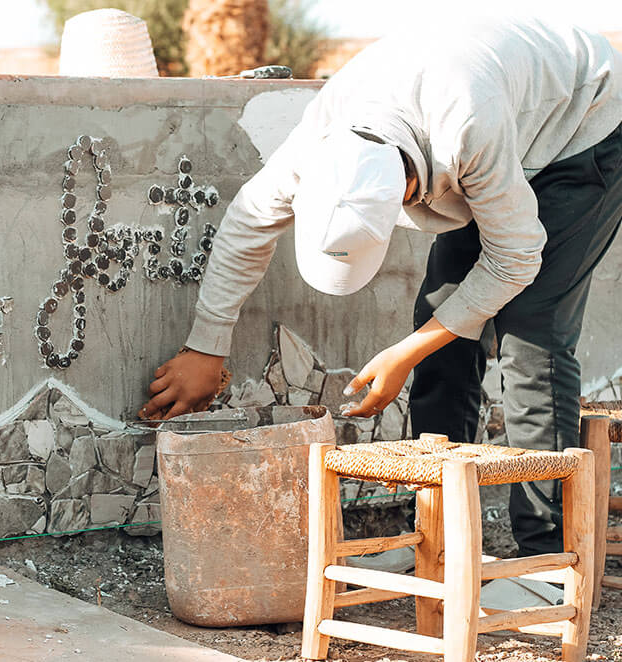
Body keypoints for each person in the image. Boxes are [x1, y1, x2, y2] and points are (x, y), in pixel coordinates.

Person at [140, 16, 622, 570]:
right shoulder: (322, 138)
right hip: (491, 109)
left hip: (582, 120)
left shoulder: (468, 129)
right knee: (440, 321)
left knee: (531, 335)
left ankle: (549, 565)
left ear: (409, 195)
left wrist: (404, 352)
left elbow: (517, 257)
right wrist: (207, 346)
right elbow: (247, 224)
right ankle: (439, 542)